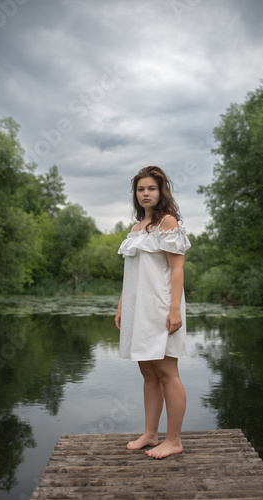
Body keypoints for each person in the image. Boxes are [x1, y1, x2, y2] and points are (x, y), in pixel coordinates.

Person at [115, 166, 191, 459]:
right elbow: (131, 274)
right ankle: (150, 433)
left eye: (151, 188)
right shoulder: (135, 230)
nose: (145, 193)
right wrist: (122, 306)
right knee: (147, 372)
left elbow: (177, 268)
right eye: (140, 189)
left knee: (167, 372)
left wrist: (174, 310)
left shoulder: (168, 223)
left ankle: (174, 440)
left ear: (161, 192)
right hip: (138, 308)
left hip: (160, 306)